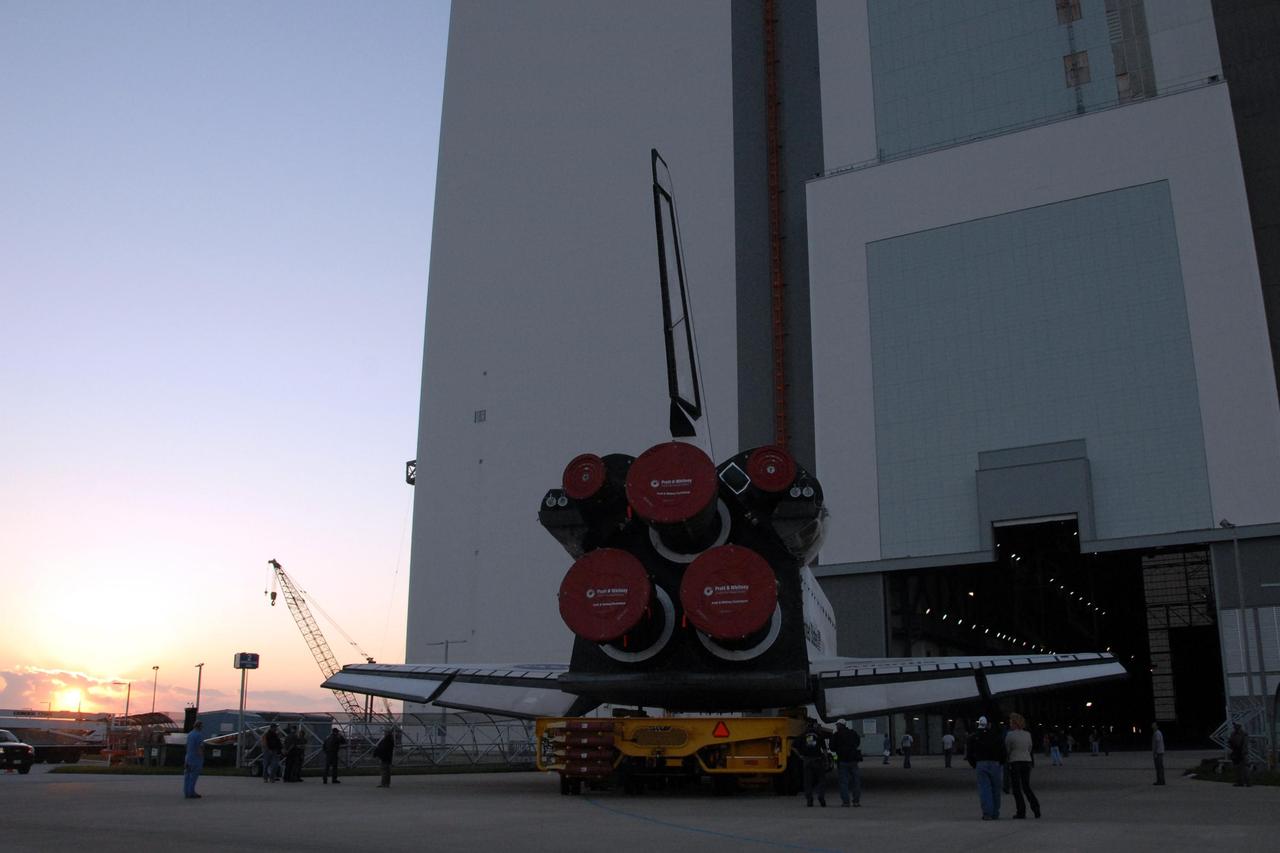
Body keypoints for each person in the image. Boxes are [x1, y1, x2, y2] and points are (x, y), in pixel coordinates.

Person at [966, 715, 1007, 820]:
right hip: (995, 763)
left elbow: (969, 753)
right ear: (989, 724)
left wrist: (974, 764)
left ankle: (987, 813)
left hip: (981, 763)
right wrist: (1001, 762)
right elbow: (1003, 750)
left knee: (984, 789)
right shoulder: (996, 736)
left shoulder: (974, 736)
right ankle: (995, 812)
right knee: (995, 789)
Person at [1004, 712, 1040, 819]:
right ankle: (1036, 808)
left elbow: (1007, 749)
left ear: (1014, 723)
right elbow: (1030, 748)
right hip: (1026, 761)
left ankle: (1021, 811)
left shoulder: (1010, 735)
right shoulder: (1027, 734)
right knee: (1026, 786)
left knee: (1016, 788)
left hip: (1015, 761)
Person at [792, 719, 830, 807]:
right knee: (821, 779)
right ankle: (821, 796)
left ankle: (809, 799)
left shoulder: (802, 735)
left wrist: (800, 755)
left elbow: (793, 747)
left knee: (807, 781)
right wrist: (826, 759)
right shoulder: (819, 735)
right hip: (817, 759)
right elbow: (824, 749)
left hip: (807, 760)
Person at [831, 719, 862, 807]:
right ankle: (856, 801)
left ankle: (846, 802)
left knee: (843, 782)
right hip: (853, 760)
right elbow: (857, 742)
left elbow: (832, 747)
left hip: (842, 761)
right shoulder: (853, 733)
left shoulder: (836, 735)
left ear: (840, 725)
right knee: (856, 781)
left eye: (837, 725)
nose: (836, 726)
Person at [183, 720, 205, 799]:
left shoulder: (190, 734)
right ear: (199, 726)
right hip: (195, 758)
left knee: (187, 776)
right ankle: (191, 792)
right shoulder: (199, 735)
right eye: (202, 726)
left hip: (188, 757)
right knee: (193, 776)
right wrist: (201, 756)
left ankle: (186, 792)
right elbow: (199, 747)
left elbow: (186, 746)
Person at [1227, 723, 1250, 787]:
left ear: (1239, 726)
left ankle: (1247, 782)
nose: (1234, 727)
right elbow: (1230, 743)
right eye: (1234, 726)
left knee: (1245, 768)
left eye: (1236, 726)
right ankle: (1239, 782)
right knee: (1237, 768)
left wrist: (1243, 753)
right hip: (1236, 752)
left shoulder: (1244, 734)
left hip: (1242, 753)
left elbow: (1245, 744)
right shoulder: (1233, 734)